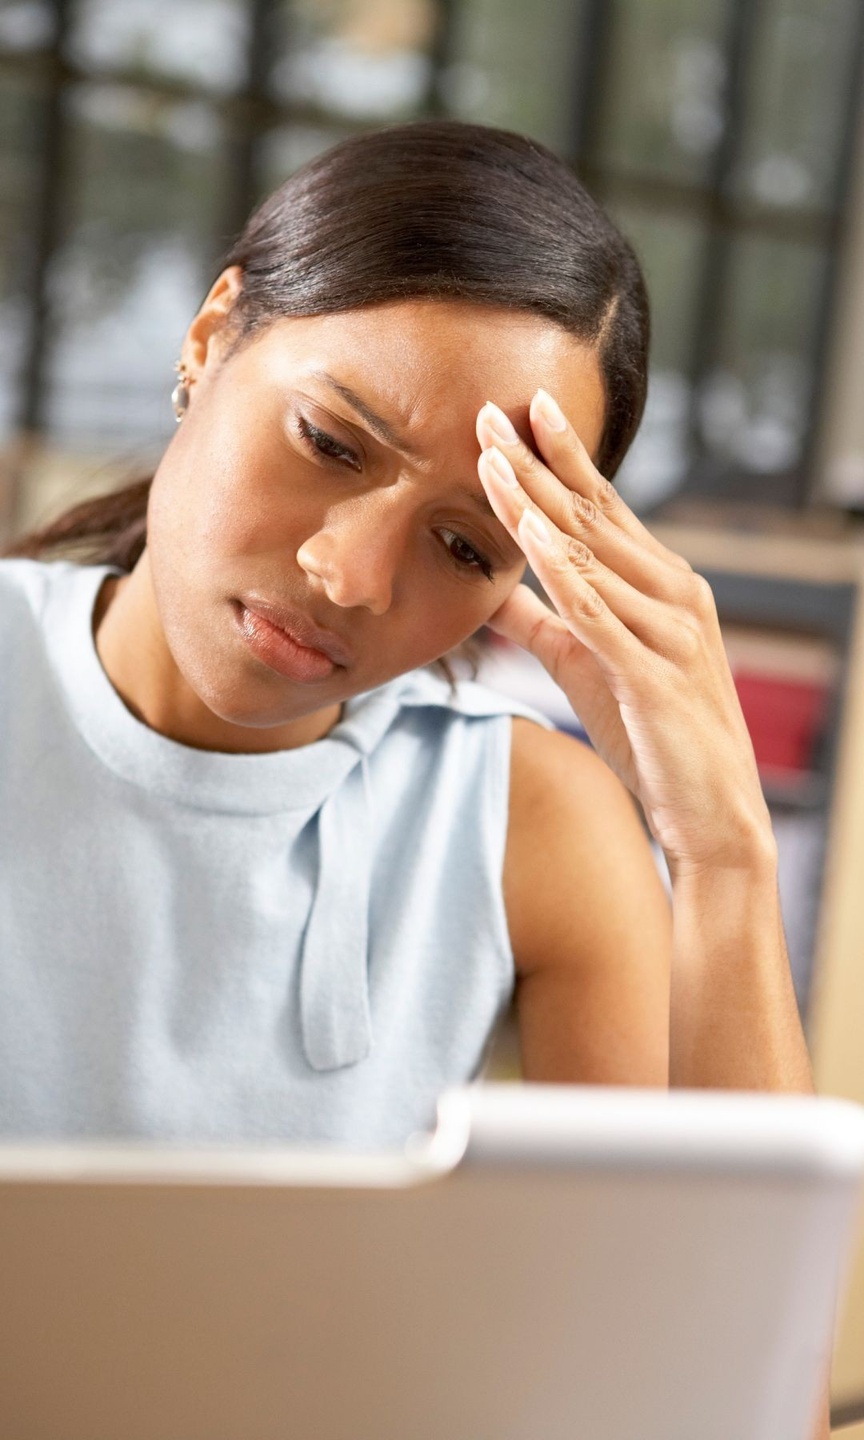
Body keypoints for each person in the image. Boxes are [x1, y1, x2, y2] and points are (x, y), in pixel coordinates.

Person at [0, 119, 815, 1140]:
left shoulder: (526, 826)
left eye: (466, 548)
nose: (350, 578)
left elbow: (718, 1294)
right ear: (210, 340)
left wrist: (726, 855)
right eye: (330, 443)